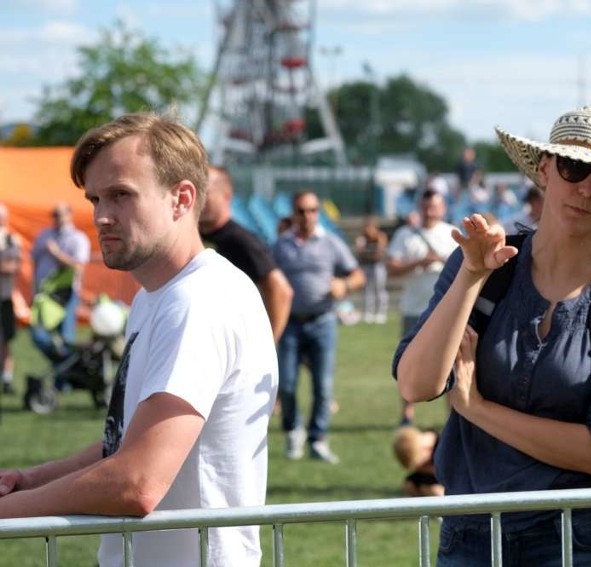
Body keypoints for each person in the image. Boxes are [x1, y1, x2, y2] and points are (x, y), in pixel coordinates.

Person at [393, 104, 591, 566]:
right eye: (574, 167)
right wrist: (471, 275)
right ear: (546, 170)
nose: (586, 188)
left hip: (580, 536)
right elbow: (416, 384)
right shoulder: (484, 260)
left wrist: (476, 409)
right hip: (471, 531)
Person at [0, 112, 278, 566]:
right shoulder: (158, 297)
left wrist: (6, 514)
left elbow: (137, 481)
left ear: (181, 198)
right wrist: (31, 480)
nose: (101, 217)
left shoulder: (198, 300)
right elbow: (127, 443)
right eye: (95, 199)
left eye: (121, 196)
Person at [271, 190, 365, 464]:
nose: (307, 216)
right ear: (293, 213)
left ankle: (318, 439)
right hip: (290, 323)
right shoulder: (280, 246)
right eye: (301, 211)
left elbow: (357, 275)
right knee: (286, 384)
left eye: (312, 210)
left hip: (323, 322)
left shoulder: (331, 243)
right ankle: (293, 431)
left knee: (323, 386)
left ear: (318, 213)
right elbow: (267, 280)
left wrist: (344, 285)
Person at [386, 189, 458, 427]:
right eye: (425, 206)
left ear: (442, 208)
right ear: (419, 207)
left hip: (445, 311)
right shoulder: (406, 234)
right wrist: (419, 262)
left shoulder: (452, 234)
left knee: (451, 363)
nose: (429, 211)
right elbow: (392, 268)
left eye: (434, 206)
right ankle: (407, 415)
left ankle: (452, 416)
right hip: (413, 309)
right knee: (408, 362)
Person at [199, 165, 293, 342]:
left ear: (226, 196)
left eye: (206, 193)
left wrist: (268, 344)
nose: (199, 200)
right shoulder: (193, 235)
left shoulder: (241, 240)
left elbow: (281, 290)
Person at [30, 201, 90, 362]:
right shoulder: (44, 235)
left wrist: (56, 253)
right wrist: (33, 289)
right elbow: (35, 263)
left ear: (70, 215)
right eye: (54, 214)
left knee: (66, 337)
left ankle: (64, 379)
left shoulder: (78, 238)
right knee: (39, 335)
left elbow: (79, 266)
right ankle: (64, 368)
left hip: (65, 294)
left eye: (60, 213)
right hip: (44, 295)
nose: (57, 217)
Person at [0, 203, 20, 394]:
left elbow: (13, 266)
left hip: (4, 298)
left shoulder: (10, 239)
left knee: (6, 340)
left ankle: (6, 379)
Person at [354, 215, 389, 324]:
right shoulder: (362, 238)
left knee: (379, 289)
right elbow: (360, 252)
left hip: (378, 266)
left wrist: (369, 253)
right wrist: (368, 253)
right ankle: (368, 312)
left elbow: (379, 252)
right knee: (367, 290)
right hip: (366, 266)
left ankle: (380, 313)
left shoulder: (380, 236)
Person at [392, 425, 444, 497]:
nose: (420, 470)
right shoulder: (426, 443)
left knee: (435, 491)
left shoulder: (444, 451)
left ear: (426, 450)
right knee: (410, 485)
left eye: (421, 466)